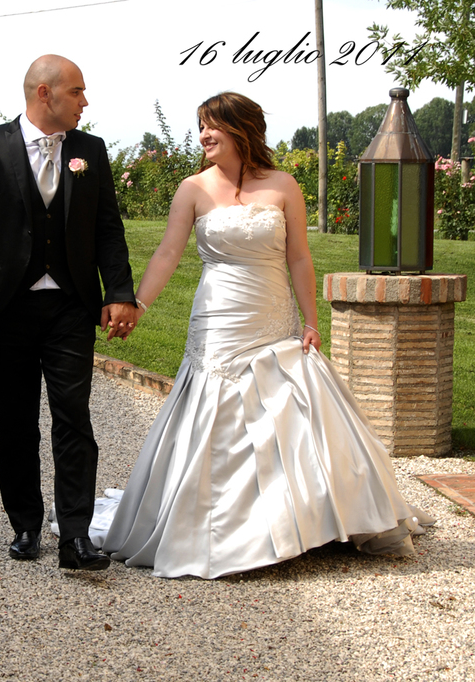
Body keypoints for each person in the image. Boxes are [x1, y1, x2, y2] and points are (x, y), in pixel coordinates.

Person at [96, 92, 434, 579]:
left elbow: (299, 256)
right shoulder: (193, 188)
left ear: (241, 129)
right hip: (219, 319)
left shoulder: (283, 185)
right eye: (200, 126)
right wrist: (139, 306)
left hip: (273, 316)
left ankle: (303, 521)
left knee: (289, 411)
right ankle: (223, 528)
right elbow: (168, 253)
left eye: (212, 125)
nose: (203, 135)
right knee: (217, 413)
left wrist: (311, 320)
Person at [0, 55, 139, 571]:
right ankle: (26, 525)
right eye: (77, 91)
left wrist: (119, 291)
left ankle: (75, 536)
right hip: (6, 309)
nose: (85, 101)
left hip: (71, 307)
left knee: (74, 418)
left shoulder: (90, 150)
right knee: (15, 422)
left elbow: (108, 229)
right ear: (44, 93)